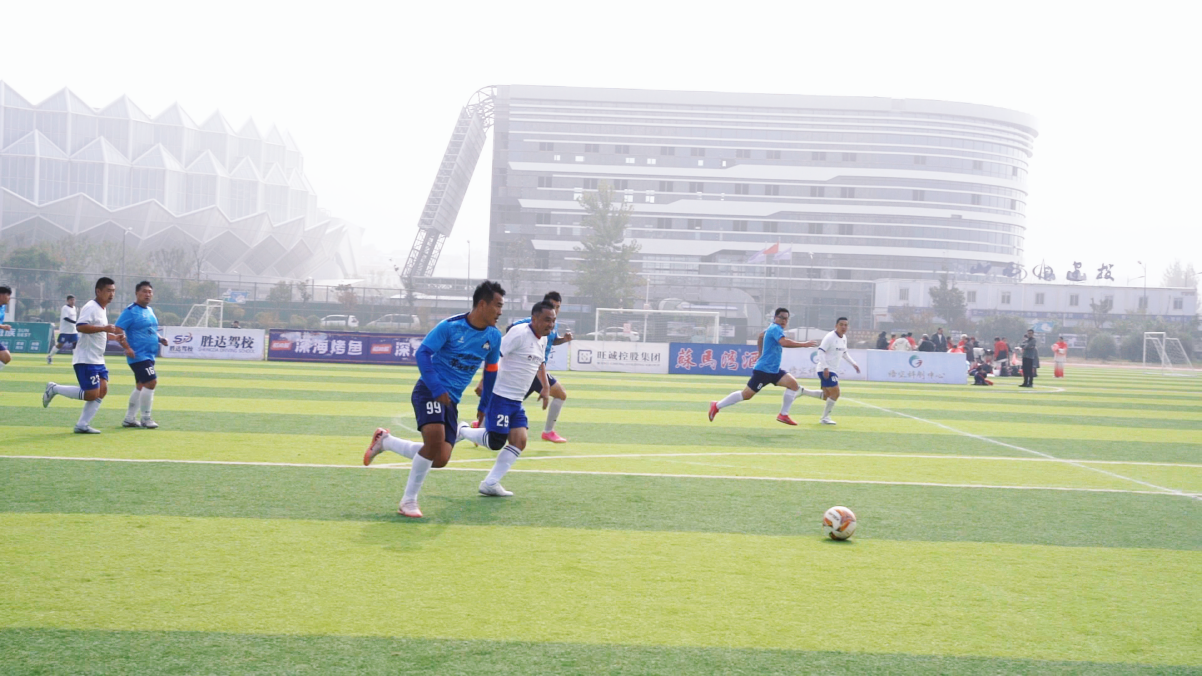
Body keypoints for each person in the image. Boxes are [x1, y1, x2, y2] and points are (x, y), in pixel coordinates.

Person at [362, 281, 505, 518]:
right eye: (497, 306)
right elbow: (423, 353)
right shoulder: (450, 327)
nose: (500, 312)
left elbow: (491, 370)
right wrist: (436, 387)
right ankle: (408, 501)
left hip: (450, 401)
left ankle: (386, 442)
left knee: (439, 459)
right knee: (435, 440)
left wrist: (485, 406)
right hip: (429, 390)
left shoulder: (494, 336)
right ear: (482, 304)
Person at [456, 301, 557, 497]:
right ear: (534, 318)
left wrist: (545, 387)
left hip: (516, 400)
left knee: (519, 441)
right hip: (500, 395)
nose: (550, 325)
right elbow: (494, 354)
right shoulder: (519, 333)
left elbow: (540, 362)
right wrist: (484, 381)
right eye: (547, 320)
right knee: (495, 441)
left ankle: (490, 483)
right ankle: (462, 430)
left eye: (553, 321)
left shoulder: (543, 338)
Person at [472, 291, 574, 442]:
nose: (555, 310)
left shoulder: (551, 325)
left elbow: (550, 344)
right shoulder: (527, 325)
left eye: (558, 307)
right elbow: (509, 334)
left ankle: (481, 425)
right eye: (553, 306)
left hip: (536, 369)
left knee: (510, 416)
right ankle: (477, 428)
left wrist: (563, 340)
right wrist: (484, 380)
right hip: (524, 369)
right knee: (560, 394)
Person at [42, 277, 129, 433]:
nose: (112, 294)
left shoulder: (102, 309)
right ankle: (54, 389)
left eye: (113, 291)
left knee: (102, 390)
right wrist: (104, 328)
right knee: (91, 394)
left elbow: (99, 333)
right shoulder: (91, 306)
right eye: (108, 291)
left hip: (98, 359)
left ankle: (82, 425)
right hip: (86, 358)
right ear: (98, 291)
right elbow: (81, 327)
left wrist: (114, 337)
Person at [708, 308, 818, 426]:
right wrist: (804, 344)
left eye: (786, 319)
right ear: (775, 318)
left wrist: (760, 353)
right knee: (746, 395)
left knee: (793, 385)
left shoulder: (772, 328)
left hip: (773, 370)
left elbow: (761, 336)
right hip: (764, 371)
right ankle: (717, 405)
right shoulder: (776, 328)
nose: (783, 321)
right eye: (781, 317)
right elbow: (784, 342)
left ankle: (783, 415)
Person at [115, 281, 169, 428]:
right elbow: (118, 328)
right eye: (144, 291)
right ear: (137, 293)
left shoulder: (149, 310)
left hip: (149, 355)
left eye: (150, 292)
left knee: (141, 385)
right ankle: (146, 418)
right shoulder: (131, 311)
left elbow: (151, 329)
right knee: (151, 382)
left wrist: (160, 338)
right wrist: (126, 347)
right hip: (138, 355)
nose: (147, 294)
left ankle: (129, 419)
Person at [810, 317, 861, 425]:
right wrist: (825, 367)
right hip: (826, 369)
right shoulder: (830, 337)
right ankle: (825, 418)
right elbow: (820, 351)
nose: (843, 327)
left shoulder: (844, 338)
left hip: (832, 370)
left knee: (827, 395)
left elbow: (844, 353)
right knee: (836, 393)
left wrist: (853, 364)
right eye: (841, 324)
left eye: (845, 325)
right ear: (836, 326)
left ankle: (802, 391)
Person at [47, 295, 78, 365]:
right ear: (67, 301)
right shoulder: (65, 308)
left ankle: (76, 360)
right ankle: (50, 356)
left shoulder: (74, 308)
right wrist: (75, 322)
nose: (72, 301)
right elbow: (66, 318)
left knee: (75, 344)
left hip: (73, 331)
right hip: (65, 331)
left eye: (73, 300)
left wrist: (75, 324)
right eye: (71, 300)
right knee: (60, 345)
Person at [0, 285, 12, 373]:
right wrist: (2, 326)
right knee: (6, 356)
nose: (9, 298)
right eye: (8, 295)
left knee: (6, 357)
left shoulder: (3, 307)